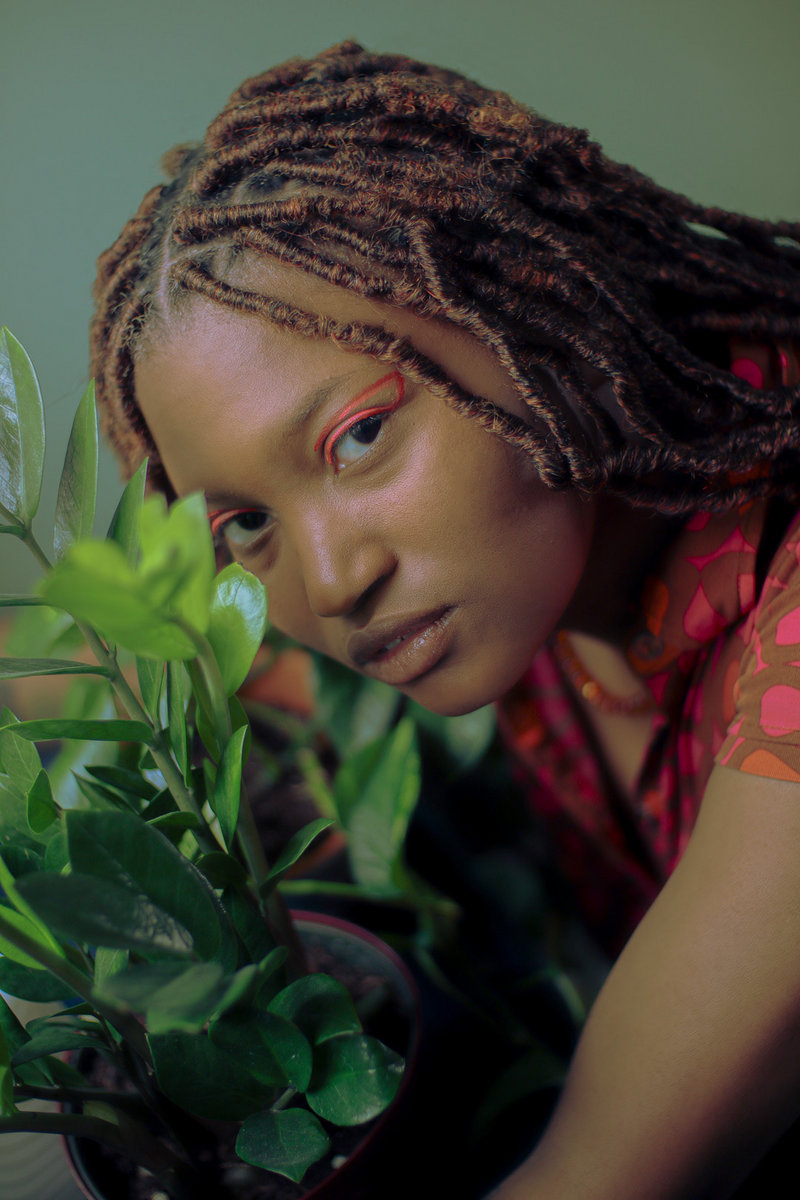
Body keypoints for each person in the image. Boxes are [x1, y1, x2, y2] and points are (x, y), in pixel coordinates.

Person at [89, 40, 800, 1198]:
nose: (330, 582)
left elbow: (596, 1174)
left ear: (531, 300)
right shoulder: (527, 579)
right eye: (247, 525)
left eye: (359, 437)